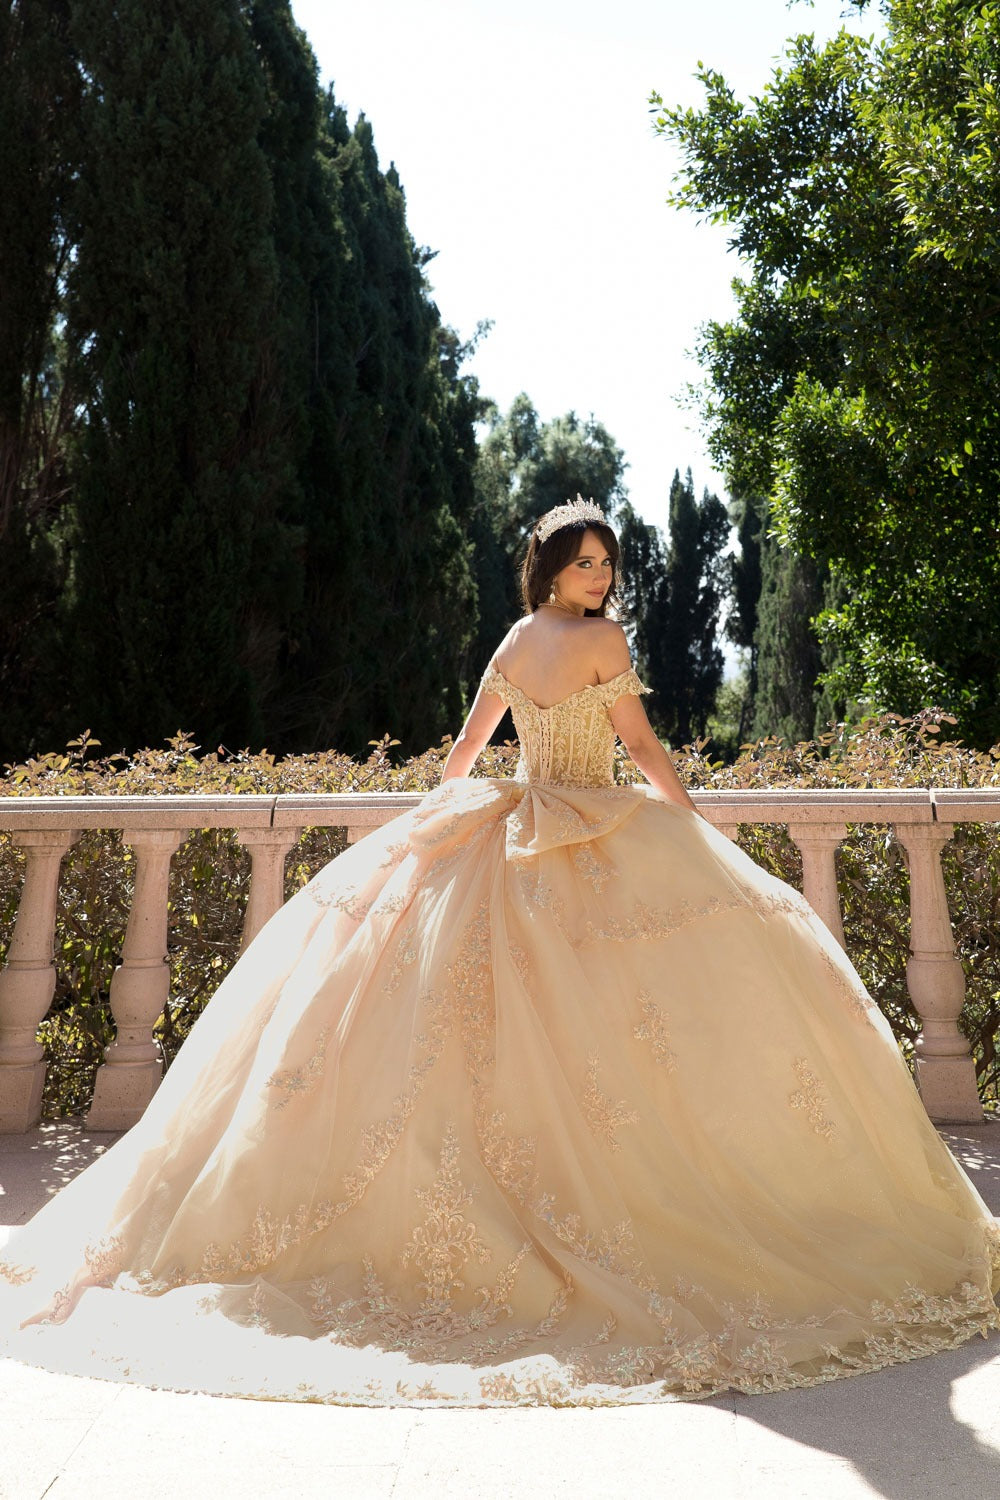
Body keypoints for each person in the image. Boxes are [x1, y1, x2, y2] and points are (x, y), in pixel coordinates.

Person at [1, 497, 998, 1407]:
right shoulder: (601, 642)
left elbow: (465, 754)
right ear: (552, 568)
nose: (601, 577)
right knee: (616, 1033)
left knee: (490, 1040)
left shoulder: (516, 640)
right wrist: (695, 828)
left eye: (608, 562)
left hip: (509, 828)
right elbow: (641, 751)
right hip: (596, 830)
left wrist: (435, 830)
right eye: (584, 562)